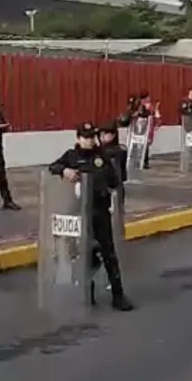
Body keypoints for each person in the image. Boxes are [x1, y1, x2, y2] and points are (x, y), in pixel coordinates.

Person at [48, 122, 134, 311]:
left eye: (91, 137)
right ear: (78, 138)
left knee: (108, 253)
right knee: (83, 253)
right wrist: (65, 171)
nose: (88, 141)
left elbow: (114, 180)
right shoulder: (71, 156)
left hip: (99, 210)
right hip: (79, 212)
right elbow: (52, 167)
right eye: (85, 137)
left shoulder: (101, 156)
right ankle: (87, 293)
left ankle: (118, 296)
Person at [100, 121, 128, 202]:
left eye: (105, 133)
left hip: (114, 186)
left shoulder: (117, 151)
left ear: (113, 135)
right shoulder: (102, 149)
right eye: (101, 133)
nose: (102, 136)